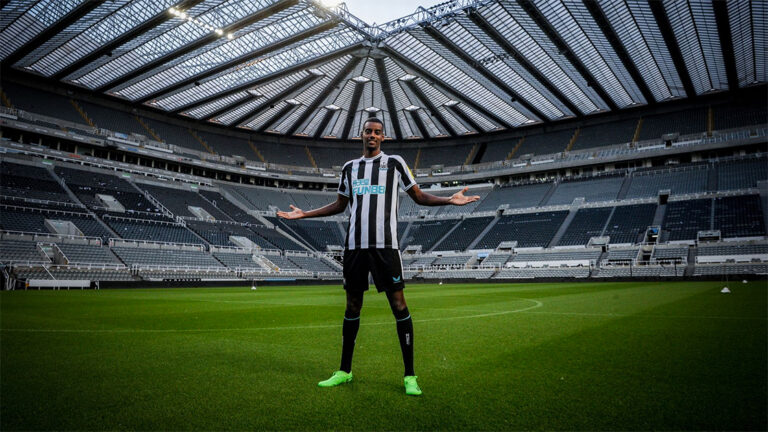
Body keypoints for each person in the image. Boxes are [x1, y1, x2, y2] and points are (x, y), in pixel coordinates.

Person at [277, 117, 479, 396]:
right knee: (352, 306)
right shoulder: (350, 168)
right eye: (368, 131)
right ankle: (344, 371)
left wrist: (448, 200)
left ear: (383, 137)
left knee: (398, 304)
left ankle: (410, 375)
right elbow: (339, 205)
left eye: (377, 132)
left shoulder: (395, 163)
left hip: (385, 247)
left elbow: (418, 196)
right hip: (355, 247)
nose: (372, 135)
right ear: (362, 135)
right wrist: (305, 213)